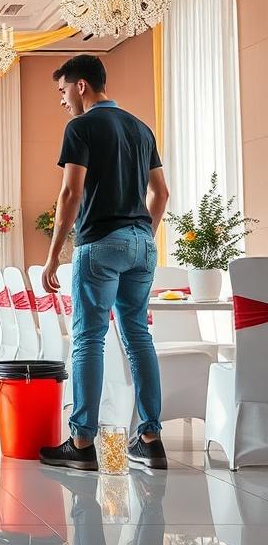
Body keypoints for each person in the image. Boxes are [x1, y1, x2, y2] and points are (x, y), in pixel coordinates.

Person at [39, 54, 170, 471]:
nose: (63, 102)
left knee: (88, 340)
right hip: (141, 242)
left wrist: (53, 254)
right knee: (137, 337)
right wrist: (140, 237)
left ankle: (80, 443)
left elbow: (69, 196)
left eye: (63, 92)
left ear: (81, 86)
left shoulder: (80, 126)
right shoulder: (140, 127)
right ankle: (150, 439)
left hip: (100, 244)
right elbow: (161, 195)